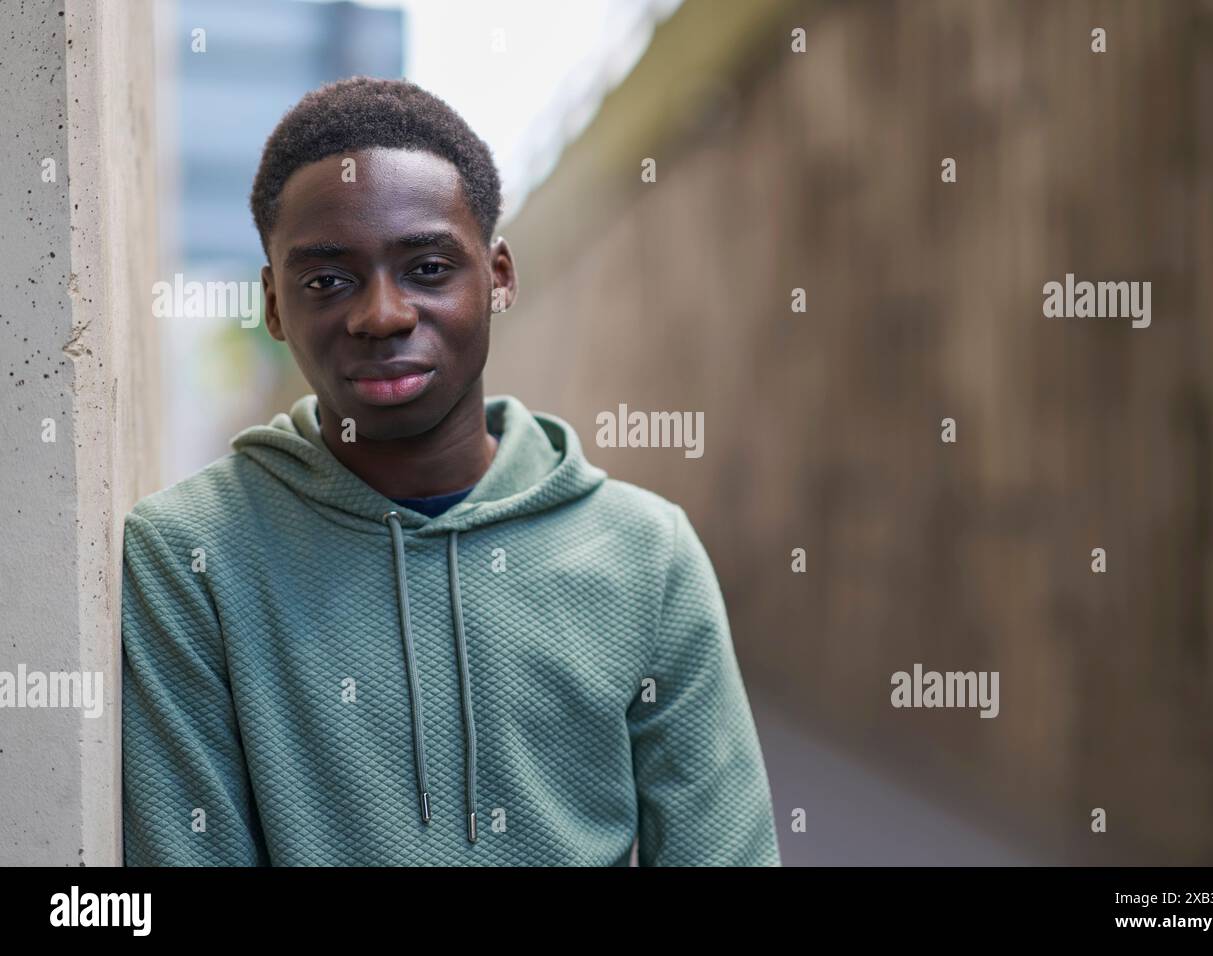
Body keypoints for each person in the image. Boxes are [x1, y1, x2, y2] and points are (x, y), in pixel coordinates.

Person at [121, 76, 780, 866]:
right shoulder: (188, 556)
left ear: (498, 276)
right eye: (328, 280)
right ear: (272, 304)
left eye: (429, 268)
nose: (382, 315)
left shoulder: (646, 553)